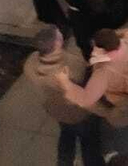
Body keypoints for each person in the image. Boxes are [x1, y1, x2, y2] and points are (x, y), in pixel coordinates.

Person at [24, 24, 104, 166]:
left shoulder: (30, 63)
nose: (62, 35)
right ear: (57, 43)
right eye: (59, 35)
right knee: (89, 142)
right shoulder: (72, 67)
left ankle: (63, 162)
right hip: (79, 113)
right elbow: (86, 87)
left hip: (55, 110)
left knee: (67, 133)